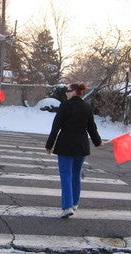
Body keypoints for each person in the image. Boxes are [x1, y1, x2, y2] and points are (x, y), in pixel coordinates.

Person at [45, 83, 103, 218]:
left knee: (66, 176)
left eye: (68, 91)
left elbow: (56, 127)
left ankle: (67, 207)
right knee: (75, 175)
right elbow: (92, 128)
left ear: (74, 92)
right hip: (81, 147)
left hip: (65, 145)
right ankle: (75, 203)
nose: (66, 93)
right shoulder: (87, 107)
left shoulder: (65, 105)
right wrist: (98, 141)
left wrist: (49, 145)